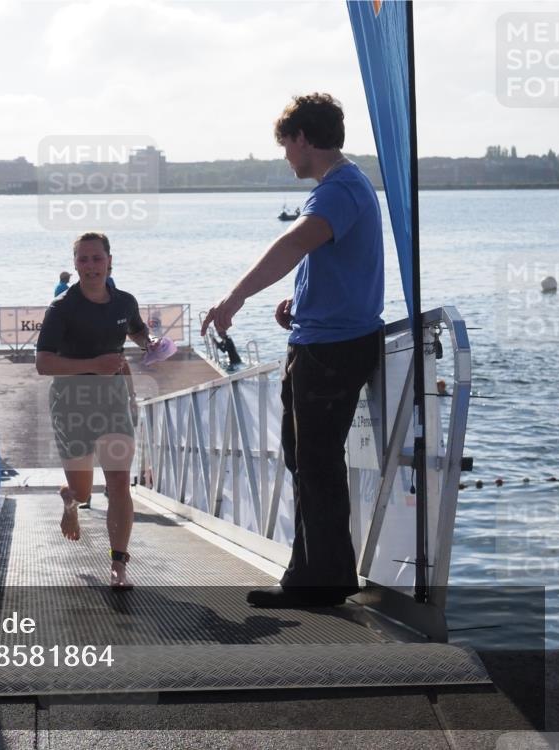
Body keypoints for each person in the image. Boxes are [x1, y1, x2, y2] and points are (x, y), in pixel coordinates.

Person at [201, 93, 384, 608]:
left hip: (332, 350)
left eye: (286, 145)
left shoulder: (339, 190)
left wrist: (234, 297)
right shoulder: (345, 188)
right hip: (325, 339)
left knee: (317, 463)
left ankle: (319, 583)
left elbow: (291, 246)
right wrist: (298, 301)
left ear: (304, 139)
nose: (285, 156)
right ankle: (313, 573)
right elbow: (324, 259)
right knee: (305, 460)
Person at [36, 232, 156, 589]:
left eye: (97, 258)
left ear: (109, 261)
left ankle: (118, 565)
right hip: (71, 400)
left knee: (119, 480)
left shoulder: (124, 302)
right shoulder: (62, 309)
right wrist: (93, 363)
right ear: (75, 265)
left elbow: (135, 330)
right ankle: (70, 501)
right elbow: (43, 363)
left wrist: (149, 343)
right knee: (85, 492)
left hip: (112, 398)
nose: (91, 266)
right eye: (83, 260)